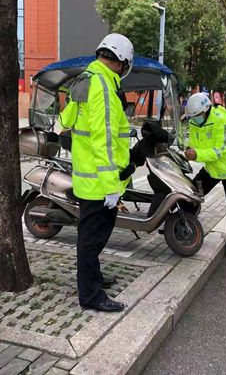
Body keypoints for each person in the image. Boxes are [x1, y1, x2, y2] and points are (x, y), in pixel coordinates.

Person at [59, 33, 134, 312]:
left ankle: (96, 279)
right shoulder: (102, 85)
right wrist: (111, 185)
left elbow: (65, 120)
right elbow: (102, 138)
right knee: (90, 241)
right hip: (100, 182)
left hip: (87, 177)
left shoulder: (85, 79)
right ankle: (91, 296)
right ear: (123, 62)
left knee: (93, 237)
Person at [184, 93, 226, 262]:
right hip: (213, 168)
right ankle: (182, 224)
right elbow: (193, 143)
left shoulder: (222, 120)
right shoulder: (193, 122)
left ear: (206, 110)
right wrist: (188, 149)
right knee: (190, 193)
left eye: (197, 115)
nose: (194, 119)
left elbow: (221, 150)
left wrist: (197, 154)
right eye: (192, 116)